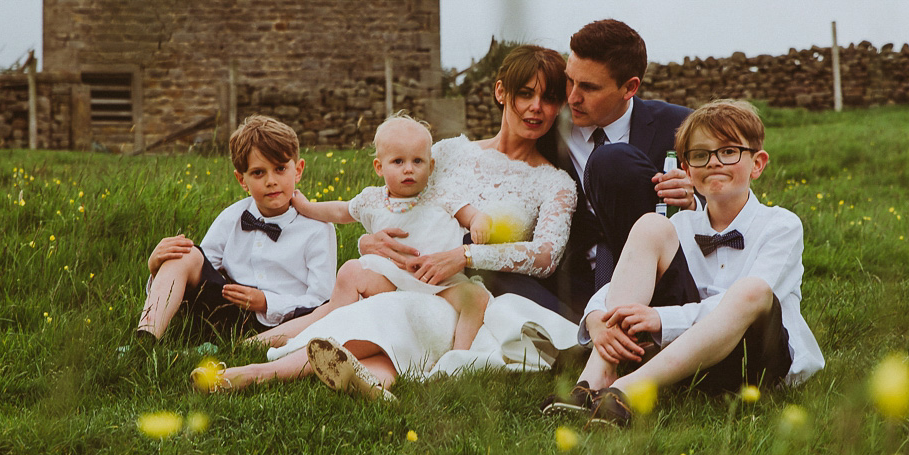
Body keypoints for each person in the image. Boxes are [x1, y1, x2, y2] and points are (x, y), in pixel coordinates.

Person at [199, 45, 581, 396]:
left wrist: (464, 257)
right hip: (400, 275)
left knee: (388, 313)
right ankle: (372, 382)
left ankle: (255, 373)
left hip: (464, 296)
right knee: (381, 308)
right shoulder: (448, 152)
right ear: (501, 92)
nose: (536, 108)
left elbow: (546, 257)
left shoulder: (555, 182)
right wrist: (369, 240)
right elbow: (396, 200)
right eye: (526, 94)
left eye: (549, 98)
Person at [542, 100, 824, 426]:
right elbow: (627, 275)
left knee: (751, 290)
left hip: (756, 362)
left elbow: (751, 301)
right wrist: (594, 317)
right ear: (687, 170)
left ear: (757, 164)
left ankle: (628, 390)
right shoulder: (682, 226)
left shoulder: (781, 225)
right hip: (691, 357)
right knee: (650, 225)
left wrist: (661, 318)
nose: (715, 163)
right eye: (701, 155)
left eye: (729, 152)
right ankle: (595, 379)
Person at [283, 112, 493, 352]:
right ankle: (334, 333)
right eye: (398, 162)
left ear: (431, 165)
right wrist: (306, 207)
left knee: (477, 298)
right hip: (392, 279)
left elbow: (472, 214)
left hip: (442, 283)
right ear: (379, 167)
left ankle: (458, 358)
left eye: (417, 161)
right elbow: (341, 212)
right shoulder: (372, 199)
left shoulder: (440, 195)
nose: (408, 170)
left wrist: (479, 222)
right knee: (351, 271)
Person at [135, 115, 336, 345]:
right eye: (258, 173)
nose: (271, 181)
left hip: (285, 321)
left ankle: (243, 348)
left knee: (321, 314)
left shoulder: (318, 228)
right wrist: (156, 268)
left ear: (298, 170)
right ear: (242, 180)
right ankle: (146, 338)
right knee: (185, 253)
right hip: (227, 312)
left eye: (280, 169)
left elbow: (322, 299)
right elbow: (200, 268)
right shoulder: (233, 216)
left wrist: (266, 302)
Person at [556, 18, 696, 317]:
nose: (572, 97)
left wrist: (695, 199)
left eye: (589, 87)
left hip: (660, 280)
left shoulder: (680, 126)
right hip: (574, 283)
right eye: (570, 80)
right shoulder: (546, 131)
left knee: (613, 162)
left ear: (629, 87)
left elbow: (733, 200)